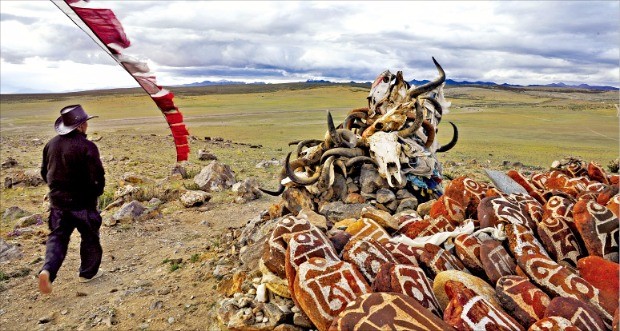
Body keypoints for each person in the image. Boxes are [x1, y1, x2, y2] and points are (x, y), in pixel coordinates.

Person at [38, 104, 105, 294]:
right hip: (83, 203)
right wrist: (97, 192)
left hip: (58, 203)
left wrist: (56, 190)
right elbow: (98, 175)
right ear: (81, 125)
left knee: (58, 238)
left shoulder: (51, 144)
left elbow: (45, 172)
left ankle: (47, 271)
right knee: (90, 236)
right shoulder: (88, 147)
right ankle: (87, 274)